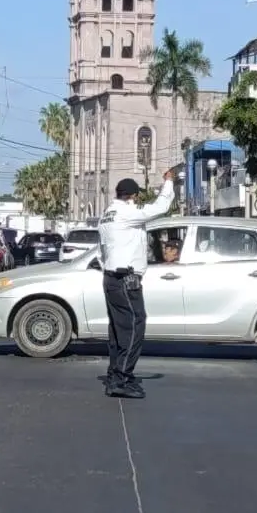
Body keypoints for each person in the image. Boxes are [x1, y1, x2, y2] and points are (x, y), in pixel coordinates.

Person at [98, 170, 177, 398]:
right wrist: (169, 182)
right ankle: (122, 379)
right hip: (126, 279)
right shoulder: (126, 212)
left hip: (111, 277)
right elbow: (160, 208)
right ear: (132, 196)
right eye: (136, 197)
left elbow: (104, 250)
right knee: (134, 327)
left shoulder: (107, 214)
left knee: (117, 331)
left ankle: (115, 374)